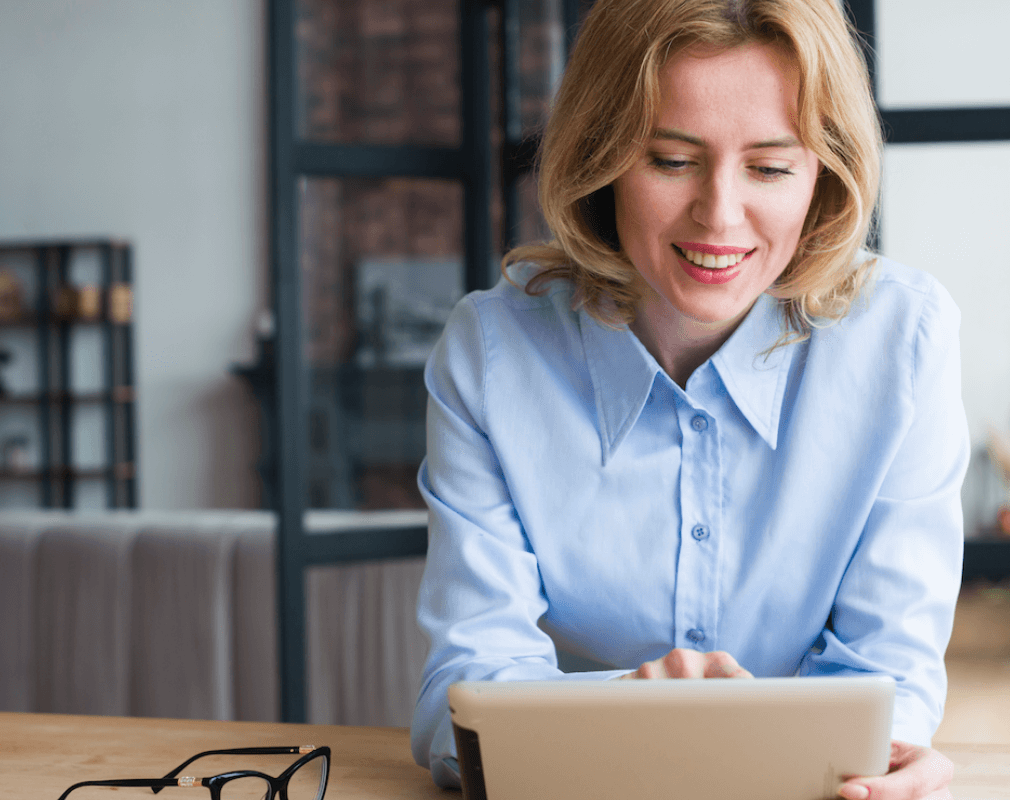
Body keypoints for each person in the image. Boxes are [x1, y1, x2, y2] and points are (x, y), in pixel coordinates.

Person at [412, 1, 967, 798]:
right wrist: (636, 712)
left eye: (771, 168)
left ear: (825, 175)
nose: (720, 215)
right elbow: (464, 695)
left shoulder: (905, 343)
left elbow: (890, 677)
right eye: (672, 160)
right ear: (601, 157)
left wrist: (885, 754)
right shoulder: (492, 356)